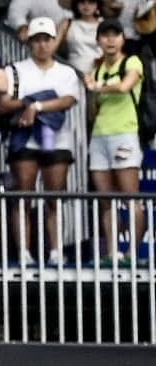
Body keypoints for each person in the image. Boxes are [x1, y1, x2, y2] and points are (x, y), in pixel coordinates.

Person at [0, 17, 83, 265]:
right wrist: (29, 105)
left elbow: (68, 100)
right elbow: (3, 104)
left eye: (47, 40)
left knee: (54, 197)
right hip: (25, 138)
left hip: (57, 139)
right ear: (30, 43)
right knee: (23, 195)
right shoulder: (15, 69)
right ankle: (24, 251)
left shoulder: (65, 71)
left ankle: (56, 251)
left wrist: (36, 105)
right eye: (37, 40)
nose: (42, 45)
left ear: (54, 42)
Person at [84, 17, 144, 262]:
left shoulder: (132, 61)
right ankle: (112, 252)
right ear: (98, 39)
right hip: (99, 134)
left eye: (115, 34)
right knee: (105, 199)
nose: (110, 39)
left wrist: (95, 87)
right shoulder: (97, 68)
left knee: (131, 196)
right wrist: (91, 91)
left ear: (122, 38)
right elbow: (92, 109)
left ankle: (133, 251)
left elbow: (124, 86)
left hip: (124, 133)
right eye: (105, 35)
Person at [63, 0, 120, 75]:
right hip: (73, 73)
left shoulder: (104, 24)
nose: (86, 6)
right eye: (82, 2)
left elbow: (116, 49)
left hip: (102, 72)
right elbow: (52, 48)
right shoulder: (68, 23)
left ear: (98, 4)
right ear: (76, 4)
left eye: (91, 2)